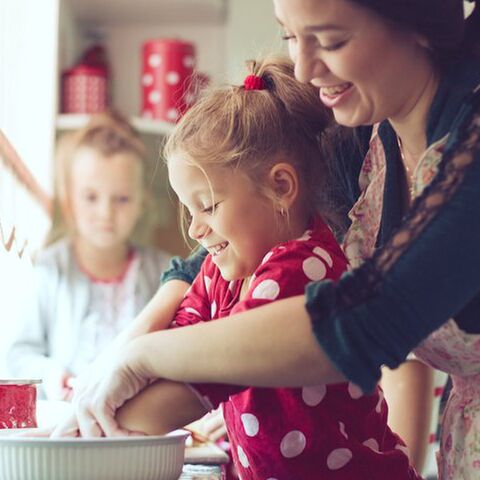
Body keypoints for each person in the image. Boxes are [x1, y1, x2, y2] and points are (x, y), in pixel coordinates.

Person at [59, 1, 480, 478]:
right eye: (289, 37)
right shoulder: (364, 138)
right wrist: (125, 350)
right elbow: (217, 252)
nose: (303, 67)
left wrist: (141, 356)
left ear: (416, 21)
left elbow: (366, 318)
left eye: (331, 41)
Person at [110, 56, 419, 480]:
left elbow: (201, 382)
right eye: (188, 211)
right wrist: (111, 385)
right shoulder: (224, 270)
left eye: (209, 206)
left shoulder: (303, 269)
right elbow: (181, 335)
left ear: (280, 187)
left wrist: (98, 422)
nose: (197, 230)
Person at [7, 111, 171, 400]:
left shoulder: (165, 274)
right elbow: (20, 353)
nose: (105, 213)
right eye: (91, 197)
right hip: (66, 421)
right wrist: (54, 377)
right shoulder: (50, 268)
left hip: (138, 423)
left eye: (121, 199)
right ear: (69, 200)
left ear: (141, 202)